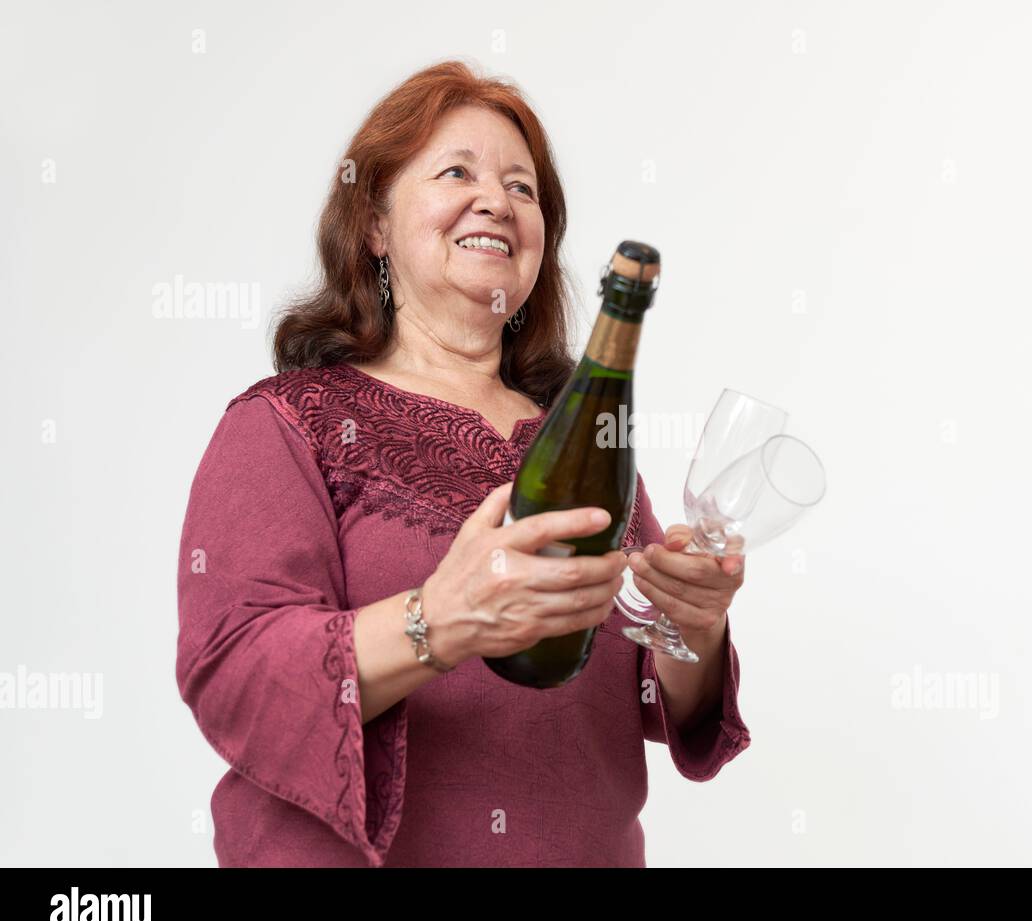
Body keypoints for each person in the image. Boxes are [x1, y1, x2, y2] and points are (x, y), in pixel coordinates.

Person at [175, 60, 751, 867]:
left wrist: (693, 625)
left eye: (523, 189)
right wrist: (439, 620)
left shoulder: (585, 443)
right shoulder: (286, 423)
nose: (498, 201)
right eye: (458, 172)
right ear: (374, 224)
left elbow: (654, 696)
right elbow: (233, 672)